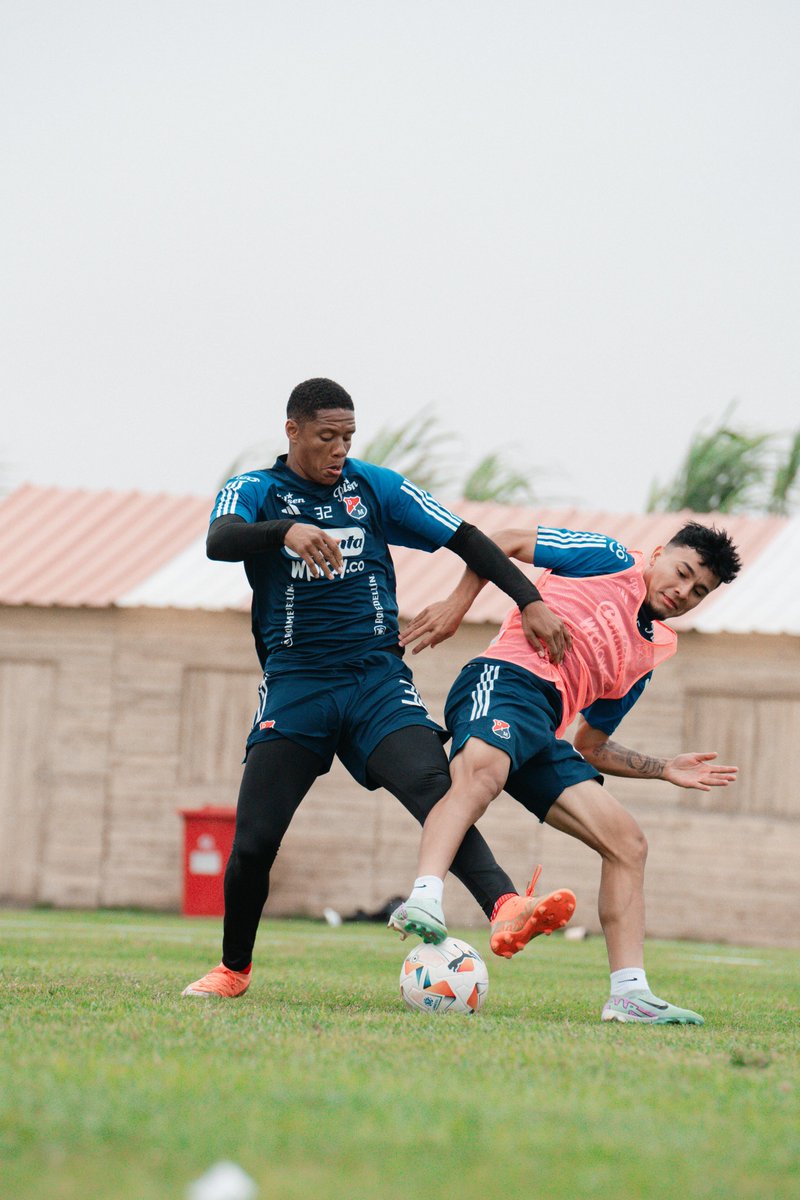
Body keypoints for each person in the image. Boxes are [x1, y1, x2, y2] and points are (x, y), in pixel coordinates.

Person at [182, 378, 575, 998]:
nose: (339, 449)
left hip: (376, 681)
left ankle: (505, 906)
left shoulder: (373, 487)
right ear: (293, 431)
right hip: (297, 686)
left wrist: (528, 600)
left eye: (347, 437)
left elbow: (467, 537)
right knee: (255, 840)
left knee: (432, 787)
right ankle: (234, 970)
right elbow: (218, 541)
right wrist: (281, 530)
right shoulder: (255, 489)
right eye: (326, 436)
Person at [389, 521, 742, 1025]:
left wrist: (664, 769)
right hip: (506, 681)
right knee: (481, 779)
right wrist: (458, 603)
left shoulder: (647, 653)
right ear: (659, 553)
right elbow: (506, 540)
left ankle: (629, 994)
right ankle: (424, 899)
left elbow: (590, 746)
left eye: (699, 591)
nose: (683, 591)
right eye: (682, 573)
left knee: (628, 843)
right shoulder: (610, 558)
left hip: (547, 732)